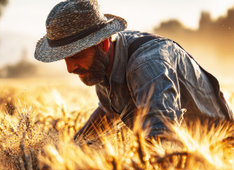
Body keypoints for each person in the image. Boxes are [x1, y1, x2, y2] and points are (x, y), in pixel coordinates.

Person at [34, 0, 233, 143]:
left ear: (103, 43)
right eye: (65, 58)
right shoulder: (105, 61)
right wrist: (72, 149)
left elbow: (161, 136)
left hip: (221, 151)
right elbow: (108, 110)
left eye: (76, 55)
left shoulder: (147, 65)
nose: (70, 69)